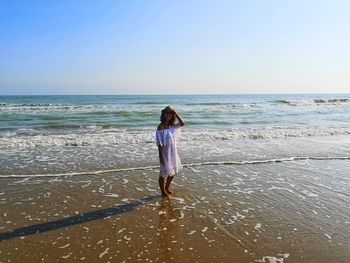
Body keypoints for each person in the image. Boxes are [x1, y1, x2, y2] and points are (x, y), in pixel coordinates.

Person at [156, 106, 185, 197]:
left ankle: (167, 188)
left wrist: (175, 113)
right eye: (166, 113)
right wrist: (160, 156)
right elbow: (159, 143)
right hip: (165, 152)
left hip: (173, 151)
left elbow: (182, 123)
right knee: (163, 172)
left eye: (170, 113)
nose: (168, 115)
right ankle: (163, 191)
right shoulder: (160, 127)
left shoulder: (172, 126)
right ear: (163, 114)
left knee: (173, 171)